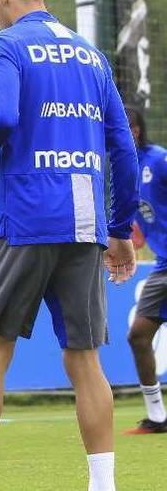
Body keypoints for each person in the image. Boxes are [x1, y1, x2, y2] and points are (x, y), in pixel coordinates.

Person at [0, 0, 138, 491]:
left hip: (25, 218)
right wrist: (119, 228)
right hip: (84, 222)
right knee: (85, 359)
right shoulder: (92, 56)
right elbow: (121, 145)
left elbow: (1, 117)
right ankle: (103, 485)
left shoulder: (1, 45)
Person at [124, 106, 167, 435]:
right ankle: (157, 418)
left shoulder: (159, 160)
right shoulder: (124, 169)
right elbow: (138, 224)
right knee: (139, 336)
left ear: (136, 131)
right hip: (163, 266)